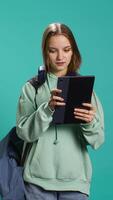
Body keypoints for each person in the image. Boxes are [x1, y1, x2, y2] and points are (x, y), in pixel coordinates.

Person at [16, 23, 104, 200]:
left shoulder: (85, 89)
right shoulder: (32, 88)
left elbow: (98, 141)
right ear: (45, 52)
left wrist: (89, 122)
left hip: (76, 183)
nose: (60, 57)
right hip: (36, 183)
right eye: (53, 50)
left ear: (73, 51)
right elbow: (24, 133)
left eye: (66, 49)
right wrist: (47, 108)